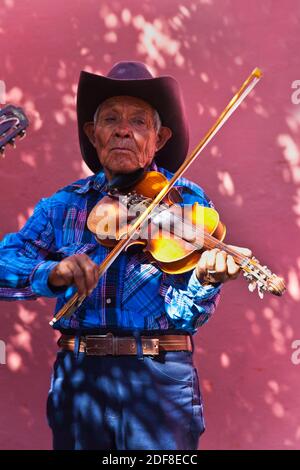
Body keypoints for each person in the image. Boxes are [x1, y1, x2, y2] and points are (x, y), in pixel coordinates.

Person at [0, 61, 251, 450]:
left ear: (159, 138)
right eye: (111, 119)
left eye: (138, 121)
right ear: (92, 134)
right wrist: (52, 272)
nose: (123, 129)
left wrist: (205, 281)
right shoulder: (62, 205)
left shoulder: (184, 203)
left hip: (160, 381)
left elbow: (185, 314)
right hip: (81, 379)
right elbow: (4, 264)